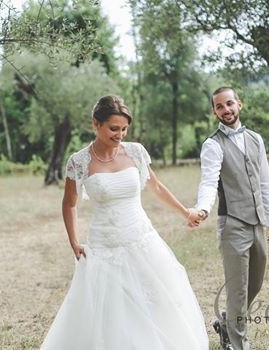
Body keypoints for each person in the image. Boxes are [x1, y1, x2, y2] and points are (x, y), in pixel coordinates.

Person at [41, 95, 209, 350]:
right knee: (111, 310)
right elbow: (69, 203)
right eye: (113, 128)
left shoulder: (135, 152)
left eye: (124, 129)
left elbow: (157, 187)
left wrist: (185, 212)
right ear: (96, 124)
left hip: (142, 238)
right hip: (104, 245)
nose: (120, 134)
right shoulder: (79, 161)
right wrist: (73, 242)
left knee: (159, 300)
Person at [188, 87, 269, 350]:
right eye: (219, 106)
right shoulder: (212, 144)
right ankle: (239, 344)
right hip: (232, 223)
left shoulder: (255, 139)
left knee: (256, 282)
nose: (226, 110)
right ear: (214, 111)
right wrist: (203, 208)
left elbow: (265, 182)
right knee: (237, 290)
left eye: (229, 104)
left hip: (258, 222)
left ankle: (227, 322)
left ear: (239, 104)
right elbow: (208, 182)